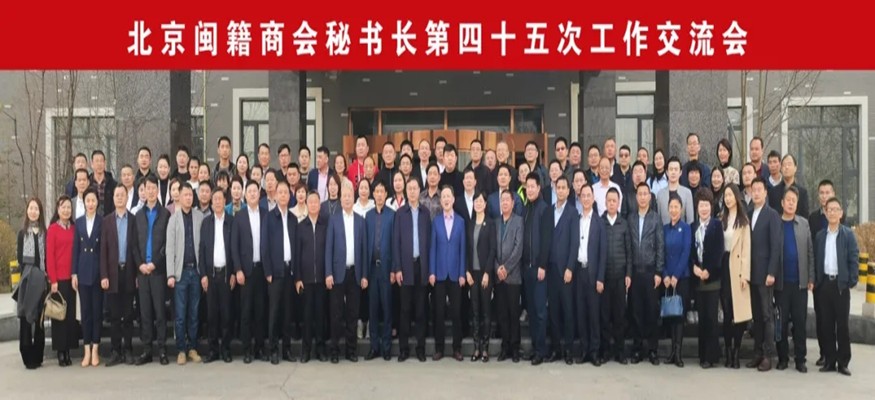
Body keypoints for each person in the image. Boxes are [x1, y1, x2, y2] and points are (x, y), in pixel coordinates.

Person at [813, 197, 858, 376]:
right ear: (825, 213)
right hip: (824, 284)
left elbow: (853, 258)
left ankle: (843, 362)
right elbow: (816, 259)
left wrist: (851, 280)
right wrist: (817, 281)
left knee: (842, 326)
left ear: (841, 213)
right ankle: (830, 361)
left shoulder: (847, 235)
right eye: (829, 209)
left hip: (840, 285)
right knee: (827, 325)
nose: (832, 212)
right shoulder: (820, 236)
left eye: (835, 209)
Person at [324, 182, 367, 363]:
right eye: (344, 196)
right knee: (336, 314)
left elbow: (364, 250)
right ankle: (334, 351)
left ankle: (351, 350)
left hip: (355, 273)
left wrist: (364, 275)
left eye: (350, 196)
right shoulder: (333, 220)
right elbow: (328, 248)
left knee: (352, 314)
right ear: (340, 200)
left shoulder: (360, 221)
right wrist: (328, 273)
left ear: (353, 198)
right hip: (337, 273)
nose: (347, 199)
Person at [132, 175, 172, 366]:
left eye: (153, 188)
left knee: (160, 313)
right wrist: (140, 264)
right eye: (147, 188)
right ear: (143, 190)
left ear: (157, 190)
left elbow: (167, 244)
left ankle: (162, 349)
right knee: (145, 313)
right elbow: (133, 244)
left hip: (158, 271)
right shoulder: (138, 216)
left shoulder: (165, 214)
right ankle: (147, 350)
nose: (150, 191)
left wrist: (155, 263)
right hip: (142, 271)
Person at [166, 183, 205, 365]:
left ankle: (192, 348)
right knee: (180, 314)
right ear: (179, 197)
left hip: (195, 271)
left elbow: (203, 246)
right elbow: (170, 248)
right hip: (180, 273)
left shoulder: (199, 217)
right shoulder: (173, 219)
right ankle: (181, 349)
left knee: (194, 313)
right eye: (185, 195)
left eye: (190, 195)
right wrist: (170, 274)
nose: (188, 198)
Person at [746, 177, 783, 372]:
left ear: (765, 192)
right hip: (751, 274)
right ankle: (757, 353)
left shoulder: (772, 215)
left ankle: (768, 355)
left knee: (767, 315)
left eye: (760, 189)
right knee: (757, 316)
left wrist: (771, 272)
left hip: (765, 275)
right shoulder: (748, 213)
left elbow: (776, 246)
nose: (756, 193)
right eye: (754, 190)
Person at [393, 178, 431, 362]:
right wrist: (398, 268)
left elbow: (429, 242)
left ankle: (420, 348)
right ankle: (403, 349)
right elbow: (396, 243)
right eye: (410, 189)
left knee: (421, 310)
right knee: (405, 310)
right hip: (406, 267)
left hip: (422, 267)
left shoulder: (425, 213)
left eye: (415, 188)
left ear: (419, 191)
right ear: (406, 191)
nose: (413, 191)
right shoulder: (400, 214)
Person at [777, 186, 814, 373]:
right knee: (781, 323)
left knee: (800, 322)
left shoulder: (804, 224)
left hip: (800, 283)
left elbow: (810, 253)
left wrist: (811, 277)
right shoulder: (776, 223)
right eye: (788, 200)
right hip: (781, 284)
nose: (791, 203)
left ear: (797, 204)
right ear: (782, 203)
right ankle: (782, 358)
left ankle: (800, 359)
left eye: (794, 201)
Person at [542, 176, 579, 364]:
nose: (561, 190)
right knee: (554, 311)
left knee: (568, 311)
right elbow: (545, 239)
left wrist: (570, 267)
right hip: (551, 269)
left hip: (566, 270)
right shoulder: (549, 211)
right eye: (559, 187)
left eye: (564, 187)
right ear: (555, 189)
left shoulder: (573, 213)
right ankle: (556, 349)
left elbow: (574, 243)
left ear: (569, 190)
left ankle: (569, 350)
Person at [628, 182, 664, 366]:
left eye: (645, 194)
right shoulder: (631, 218)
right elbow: (628, 248)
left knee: (651, 312)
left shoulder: (656, 218)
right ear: (636, 197)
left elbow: (660, 246)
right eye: (640, 194)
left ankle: (652, 350)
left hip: (650, 272)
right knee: (636, 312)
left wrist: (658, 271)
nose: (642, 197)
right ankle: (637, 349)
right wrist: (628, 273)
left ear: (650, 197)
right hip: (635, 272)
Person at [232, 180, 268, 363]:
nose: (253, 194)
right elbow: (234, 246)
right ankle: (246, 349)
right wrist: (238, 269)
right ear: (245, 195)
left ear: (259, 193)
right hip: (245, 272)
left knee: (260, 312)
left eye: (255, 191)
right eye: (250, 191)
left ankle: (260, 348)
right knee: (246, 311)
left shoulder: (265, 214)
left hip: (261, 270)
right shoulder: (239, 216)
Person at [101, 185, 137, 367]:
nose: (120, 198)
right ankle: (115, 351)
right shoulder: (107, 221)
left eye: (123, 195)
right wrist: (104, 275)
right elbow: (103, 251)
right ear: (113, 198)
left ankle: (128, 350)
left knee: (128, 315)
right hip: (113, 273)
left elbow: (136, 248)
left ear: (127, 198)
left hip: (129, 271)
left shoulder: (133, 220)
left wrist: (137, 274)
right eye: (117, 195)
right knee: (115, 316)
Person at [429, 185, 466, 362]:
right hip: (439, 273)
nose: (445, 199)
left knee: (457, 313)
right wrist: (431, 272)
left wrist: (462, 273)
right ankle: (439, 348)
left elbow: (463, 249)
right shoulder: (436, 221)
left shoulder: (460, 222)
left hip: (455, 274)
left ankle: (457, 348)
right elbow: (432, 248)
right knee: (439, 313)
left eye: (448, 196)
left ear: (453, 199)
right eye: (443, 196)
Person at [262, 180, 297, 364]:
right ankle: (273, 349)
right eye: (280, 192)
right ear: (275, 195)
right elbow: (264, 246)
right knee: (274, 313)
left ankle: (287, 350)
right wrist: (268, 271)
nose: (283, 195)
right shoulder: (269, 217)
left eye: (286, 192)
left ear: (289, 196)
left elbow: (296, 246)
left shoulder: (293, 218)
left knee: (287, 313)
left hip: (289, 270)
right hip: (275, 273)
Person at [808, 179, 843, 366]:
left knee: (839, 319)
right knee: (822, 318)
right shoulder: (813, 218)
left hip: (838, 278)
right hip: (820, 277)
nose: (824, 196)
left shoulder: (840, 217)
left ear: (833, 194)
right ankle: (825, 353)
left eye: (827, 192)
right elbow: (811, 249)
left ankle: (840, 355)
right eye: (821, 193)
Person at [572, 183, 606, 366]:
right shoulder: (576, 220)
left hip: (593, 274)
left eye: (588, 196)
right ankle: (584, 350)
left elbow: (603, 253)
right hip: (579, 272)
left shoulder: (599, 222)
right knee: (581, 313)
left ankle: (594, 351)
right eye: (583, 196)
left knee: (594, 315)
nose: (585, 199)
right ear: (579, 198)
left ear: (593, 198)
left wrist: (600, 278)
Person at [200, 187, 234, 364]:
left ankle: (226, 349)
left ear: (224, 201)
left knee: (227, 315)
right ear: (211, 203)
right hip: (211, 275)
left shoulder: (231, 221)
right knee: (212, 315)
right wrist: (203, 275)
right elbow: (202, 250)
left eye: (220, 199)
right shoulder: (206, 223)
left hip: (227, 275)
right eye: (215, 200)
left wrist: (234, 272)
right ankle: (213, 350)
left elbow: (235, 249)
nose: (218, 202)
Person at [720, 183, 753, 369]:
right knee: (727, 313)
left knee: (739, 313)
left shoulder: (743, 221)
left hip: (738, 268)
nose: (727, 198)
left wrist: (744, 275)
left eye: (730, 195)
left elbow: (746, 250)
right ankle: (727, 350)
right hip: (724, 266)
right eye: (725, 196)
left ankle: (737, 352)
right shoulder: (721, 218)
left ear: (736, 197)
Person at [690, 189, 723, 369]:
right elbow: (691, 252)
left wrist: (709, 271)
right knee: (702, 318)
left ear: (711, 206)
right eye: (701, 205)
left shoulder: (717, 225)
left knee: (711, 318)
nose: (704, 209)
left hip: (712, 279)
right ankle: (702, 355)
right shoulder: (693, 226)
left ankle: (711, 356)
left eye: (706, 205)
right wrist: (694, 268)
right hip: (698, 279)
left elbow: (719, 252)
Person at [295, 191, 329, 363]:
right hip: (306, 280)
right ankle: (306, 350)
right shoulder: (301, 226)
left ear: (319, 204)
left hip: (322, 279)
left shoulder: (325, 225)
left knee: (320, 316)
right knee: (307, 316)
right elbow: (297, 254)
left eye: (316, 202)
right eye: (311, 202)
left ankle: (320, 349)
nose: (314, 204)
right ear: (307, 204)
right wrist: (298, 278)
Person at [600, 188, 632, 365]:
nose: (611, 203)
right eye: (609, 200)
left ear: (618, 203)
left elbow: (629, 251)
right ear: (605, 202)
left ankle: (620, 351)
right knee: (605, 316)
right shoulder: (600, 222)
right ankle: (605, 351)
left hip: (620, 277)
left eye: (614, 201)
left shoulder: (624, 224)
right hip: (604, 277)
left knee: (620, 316)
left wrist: (628, 273)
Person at [72, 188, 104, 367]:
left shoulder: (102, 221)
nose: (90, 204)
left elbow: (104, 250)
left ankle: (95, 349)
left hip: (98, 272)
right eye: (88, 201)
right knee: (85, 313)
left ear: (97, 202)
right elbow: (75, 250)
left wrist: (104, 273)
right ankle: (86, 350)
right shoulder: (78, 222)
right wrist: (74, 273)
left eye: (93, 200)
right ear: (84, 203)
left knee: (97, 312)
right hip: (83, 271)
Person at [365, 181, 395, 361]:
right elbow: (364, 244)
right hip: (371, 269)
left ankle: (386, 347)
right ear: (373, 194)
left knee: (387, 308)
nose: (379, 194)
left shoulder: (392, 215)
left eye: (382, 191)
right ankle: (374, 346)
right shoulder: (368, 216)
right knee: (373, 309)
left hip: (386, 268)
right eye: (376, 191)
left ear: (386, 194)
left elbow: (395, 243)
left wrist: (394, 269)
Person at [521, 172, 549, 365]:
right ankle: (534, 347)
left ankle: (541, 350)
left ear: (539, 188)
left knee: (540, 312)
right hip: (526, 269)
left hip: (539, 268)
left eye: (533, 186)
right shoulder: (526, 209)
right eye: (527, 187)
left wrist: (542, 265)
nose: (530, 190)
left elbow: (546, 240)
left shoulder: (544, 209)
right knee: (531, 311)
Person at [17, 198, 49, 369]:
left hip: (41, 280)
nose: (33, 211)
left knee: (39, 319)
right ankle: (27, 355)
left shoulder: (45, 233)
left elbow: (47, 258)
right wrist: (28, 275)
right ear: (27, 210)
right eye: (31, 208)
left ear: (40, 212)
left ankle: (38, 355)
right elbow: (19, 259)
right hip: (27, 281)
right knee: (26, 318)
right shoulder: (22, 233)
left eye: (36, 208)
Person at [466, 190, 496, 362]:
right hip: (473, 274)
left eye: (481, 201)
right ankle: (476, 347)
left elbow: (492, 250)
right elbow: (466, 249)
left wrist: (487, 273)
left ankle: (485, 348)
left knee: (486, 311)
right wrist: (467, 271)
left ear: (485, 204)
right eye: (475, 201)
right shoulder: (470, 224)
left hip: (485, 274)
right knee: (475, 311)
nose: (478, 203)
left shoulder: (490, 224)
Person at [494, 190, 524, 363]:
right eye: (502, 200)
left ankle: (515, 348)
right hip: (499, 276)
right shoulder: (496, 222)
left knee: (513, 314)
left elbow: (518, 248)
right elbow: (492, 248)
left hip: (513, 276)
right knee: (502, 314)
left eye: (507, 200)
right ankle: (505, 347)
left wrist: (506, 268)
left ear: (513, 203)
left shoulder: (518, 221)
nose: (504, 203)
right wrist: (498, 268)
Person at [663, 195, 691, 368]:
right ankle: (672, 352)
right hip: (667, 279)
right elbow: (661, 253)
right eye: (671, 207)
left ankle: (679, 353)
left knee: (679, 315)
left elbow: (686, 252)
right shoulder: (664, 229)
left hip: (682, 278)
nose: (673, 210)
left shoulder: (686, 228)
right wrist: (666, 275)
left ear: (681, 209)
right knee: (671, 315)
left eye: (676, 207)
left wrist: (676, 276)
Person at [656, 156, 694, 224]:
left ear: (680, 172)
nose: (673, 172)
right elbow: (658, 220)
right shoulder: (660, 194)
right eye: (671, 169)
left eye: (676, 169)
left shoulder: (687, 193)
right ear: (667, 172)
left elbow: (690, 220)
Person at [90, 150, 117, 216]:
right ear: (92, 164)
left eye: (101, 161)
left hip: (109, 219)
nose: (99, 164)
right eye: (97, 161)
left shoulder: (113, 184)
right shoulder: (88, 183)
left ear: (105, 163)